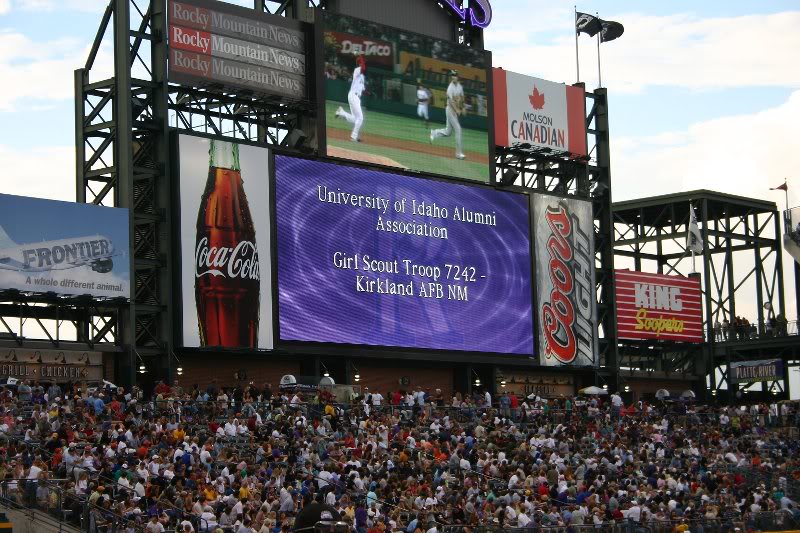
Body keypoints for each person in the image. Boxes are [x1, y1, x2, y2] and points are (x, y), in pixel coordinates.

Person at [430, 70, 465, 160]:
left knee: (448, 132)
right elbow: (450, 100)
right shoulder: (450, 87)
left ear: (457, 77)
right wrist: (457, 109)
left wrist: (463, 107)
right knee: (458, 129)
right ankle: (458, 153)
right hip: (450, 110)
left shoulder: (460, 87)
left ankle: (434, 132)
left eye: (455, 75)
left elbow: (461, 97)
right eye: (452, 76)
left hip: (454, 111)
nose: (453, 77)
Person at [335, 55, 367, 142]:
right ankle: (354, 137)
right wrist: (361, 60)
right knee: (360, 118)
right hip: (353, 95)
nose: (364, 64)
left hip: (356, 97)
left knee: (355, 119)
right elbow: (363, 68)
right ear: (360, 63)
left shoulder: (362, 77)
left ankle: (341, 112)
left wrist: (367, 93)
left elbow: (363, 90)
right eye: (362, 62)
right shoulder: (357, 70)